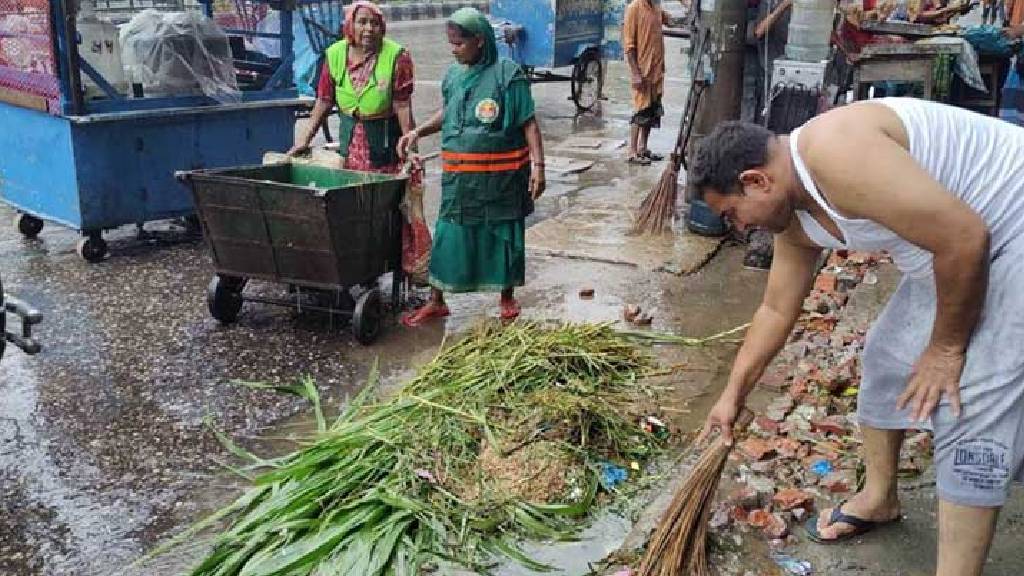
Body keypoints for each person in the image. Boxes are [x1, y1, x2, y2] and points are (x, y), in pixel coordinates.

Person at [692, 99, 1024, 576]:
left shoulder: (835, 153)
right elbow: (775, 309)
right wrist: (731, 395)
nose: (740, 229)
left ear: (755, 180)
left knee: (967, 401)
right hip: (955, 247)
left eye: (734, 214)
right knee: (888, 358)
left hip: (1007, 228)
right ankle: (880, 497)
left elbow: (965, 239)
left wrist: (945, 350)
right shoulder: (796, 219)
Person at [395, 7, 545, 326]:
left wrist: (538, 166)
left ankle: (506, 297)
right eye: (450, 43)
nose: (453, 49)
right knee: (449, 234)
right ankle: (437, 300)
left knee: (503, 234)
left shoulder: (508, 74)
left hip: (501, 180)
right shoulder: (453, 75)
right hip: (461, 181)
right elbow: (449, 111)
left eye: (459, 43)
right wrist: (418, 131)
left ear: (479, 41)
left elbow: (528, 123)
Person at [287, 1, 415, 174]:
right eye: (362, 22)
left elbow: (403, 105)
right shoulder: (334, 54)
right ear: (350, 25)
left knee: (385, 195)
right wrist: (304, 139)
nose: (369, 28)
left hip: (385, 146)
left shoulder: (398, 56)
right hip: (350, 146)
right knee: (350, 193)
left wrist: (410, 147)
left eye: (375, 23)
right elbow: (324, 100)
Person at [624, 0, 672, 165]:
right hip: (642, 70)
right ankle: (632, 151)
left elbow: (671, 21)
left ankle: (643, 148)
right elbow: (629, 47)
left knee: (652, 111)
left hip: (656, 70)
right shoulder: (634, 8)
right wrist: (636, 73)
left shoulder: (656, 7)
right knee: (641, 111)